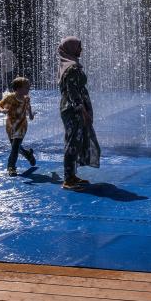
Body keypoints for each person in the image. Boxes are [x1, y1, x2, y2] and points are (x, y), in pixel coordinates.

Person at [57, 36, 101, 190]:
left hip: (72, 108)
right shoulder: (72, 68)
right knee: (72, 142)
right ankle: (68, 180)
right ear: (71, 48)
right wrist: (82, 110)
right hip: (74, 110)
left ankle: (72, 175)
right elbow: (72, 92)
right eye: (78, 47)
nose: (81, 49)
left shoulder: (69, 64)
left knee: (74, 141)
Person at [0, 76, 36, 176]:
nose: (28, 89)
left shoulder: (26, 99)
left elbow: (28, 110)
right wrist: (2, 110)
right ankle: (27, 154)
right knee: (15, 147)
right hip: (10, 126)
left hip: (22, 126)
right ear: (18, 89)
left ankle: (11, 167)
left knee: (15, 146)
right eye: (26, 87)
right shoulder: (10, 97)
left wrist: (31, 115)